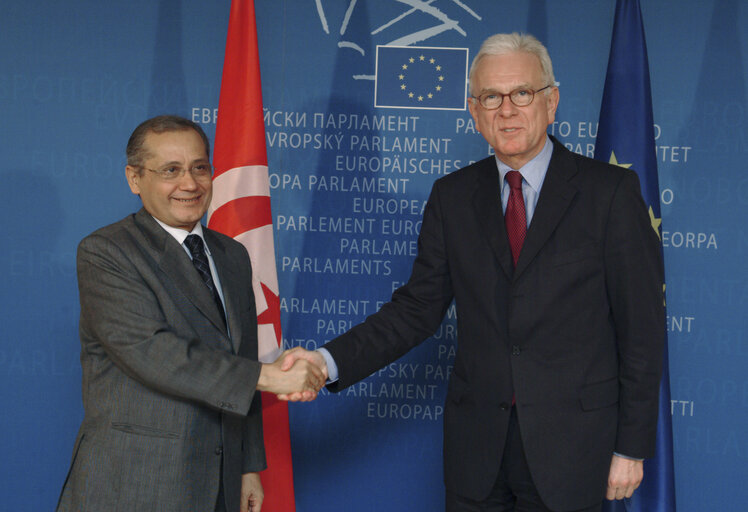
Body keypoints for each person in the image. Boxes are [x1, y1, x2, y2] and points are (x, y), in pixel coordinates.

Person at [281, 33, 665, 512]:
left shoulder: (610, 193)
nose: (507, 110)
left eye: (522, 93)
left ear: (551, 101)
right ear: (473, 111)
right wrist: (324, 362)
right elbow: (415, 311)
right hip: (476, 455)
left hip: (575, 451)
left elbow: (642, 331)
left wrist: (630, 447)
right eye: (490, 97)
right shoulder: (452, 197)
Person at [57, 115, 324, 512]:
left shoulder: (232, 255)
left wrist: (248, 466)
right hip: (134, 482)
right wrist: (269, 377)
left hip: (219, 482)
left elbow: (241, 358)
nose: (190, 183)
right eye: (171, 170)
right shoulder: (107, 252)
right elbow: (153, 352)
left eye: (200, 167)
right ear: (134, 178)